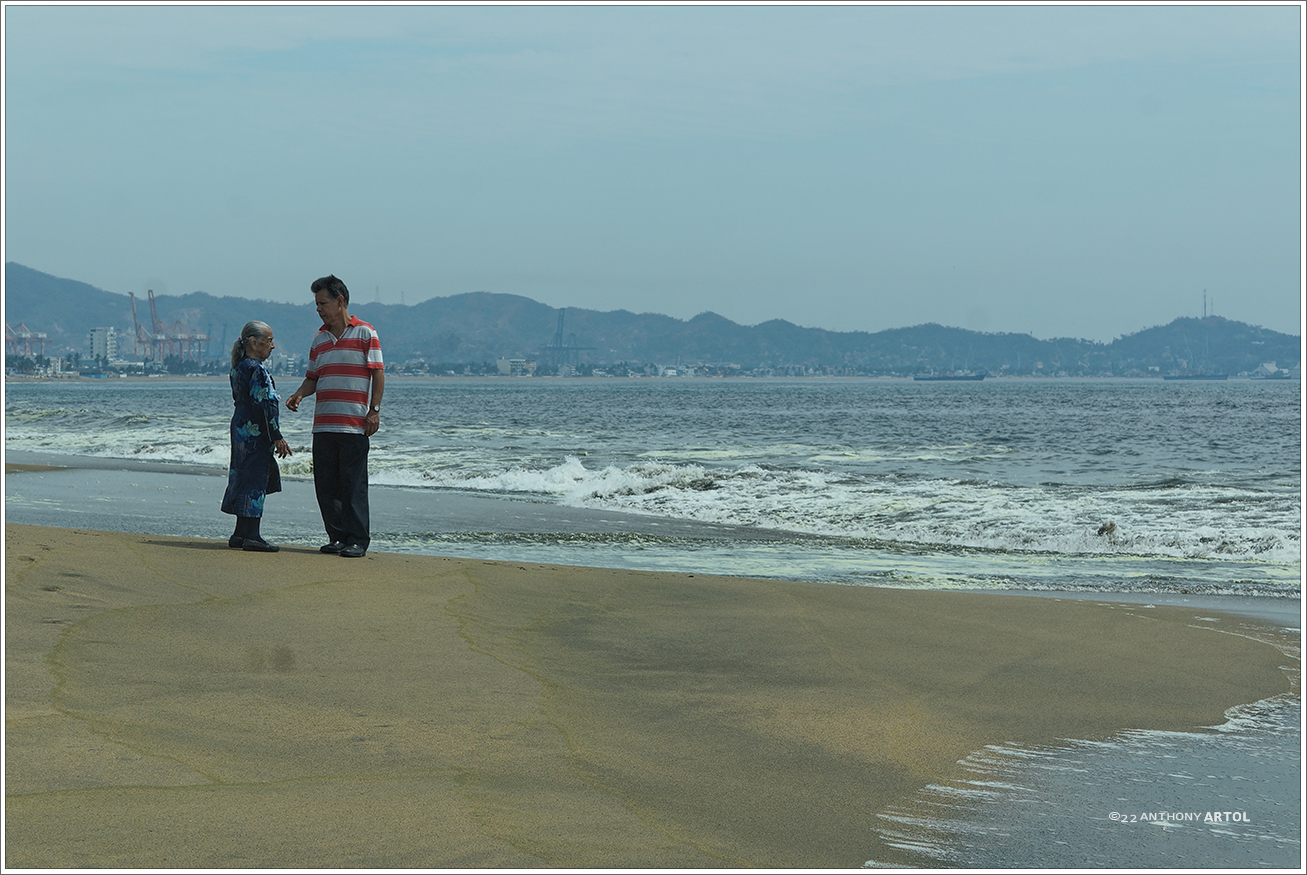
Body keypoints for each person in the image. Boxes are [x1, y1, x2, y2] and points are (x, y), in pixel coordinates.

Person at [286, 275, 384, 558]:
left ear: (340, 301)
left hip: (354, 425)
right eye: (316, 304)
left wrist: (374, 410)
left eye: (323, 303)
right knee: (326, 486)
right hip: (323, 425)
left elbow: (378, 373)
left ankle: (357, 540)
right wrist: (299, 394)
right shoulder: (319, 339)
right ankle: (337, 537)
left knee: (353, 486)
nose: (319, 309)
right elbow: (313, 377)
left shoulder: (366, 333)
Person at [221, 321, 292, 552]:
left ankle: (240, 533)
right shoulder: (257, 369)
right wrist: (277, 436)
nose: (273, 346)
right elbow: (264, 405)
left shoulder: (239, 366)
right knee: (256, 479)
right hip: (255, 430)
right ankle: (252, 535)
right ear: (253, 342)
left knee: (242, 475)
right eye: (269, 341)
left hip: (241, 426)